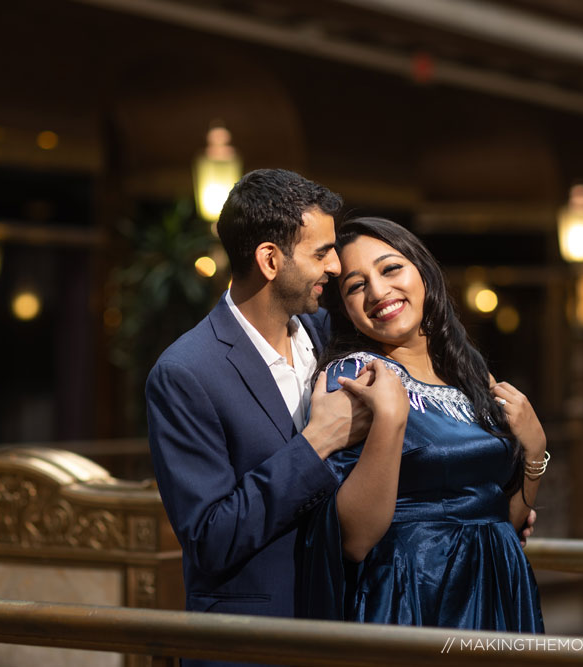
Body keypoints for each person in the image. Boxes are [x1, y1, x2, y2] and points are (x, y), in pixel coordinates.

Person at [145, 169, 373, 666]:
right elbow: (210, 537)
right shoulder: (184, 373)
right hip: (249, 646)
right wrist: (313, 446)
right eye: (321, 252)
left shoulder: (328, 335)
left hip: (346, 628)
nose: (335, 266)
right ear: (270, 260)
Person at [301, 217, 546, 632]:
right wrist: (390, 421)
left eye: (390, 268)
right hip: (412, 593)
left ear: (423, 271)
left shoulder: (468, 368)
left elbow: (506, 518)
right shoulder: (356, 377)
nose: (378, 292)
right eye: (356, 286)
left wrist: (536, 451)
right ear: (343, 308)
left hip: (500, 582)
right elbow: (355, 540)